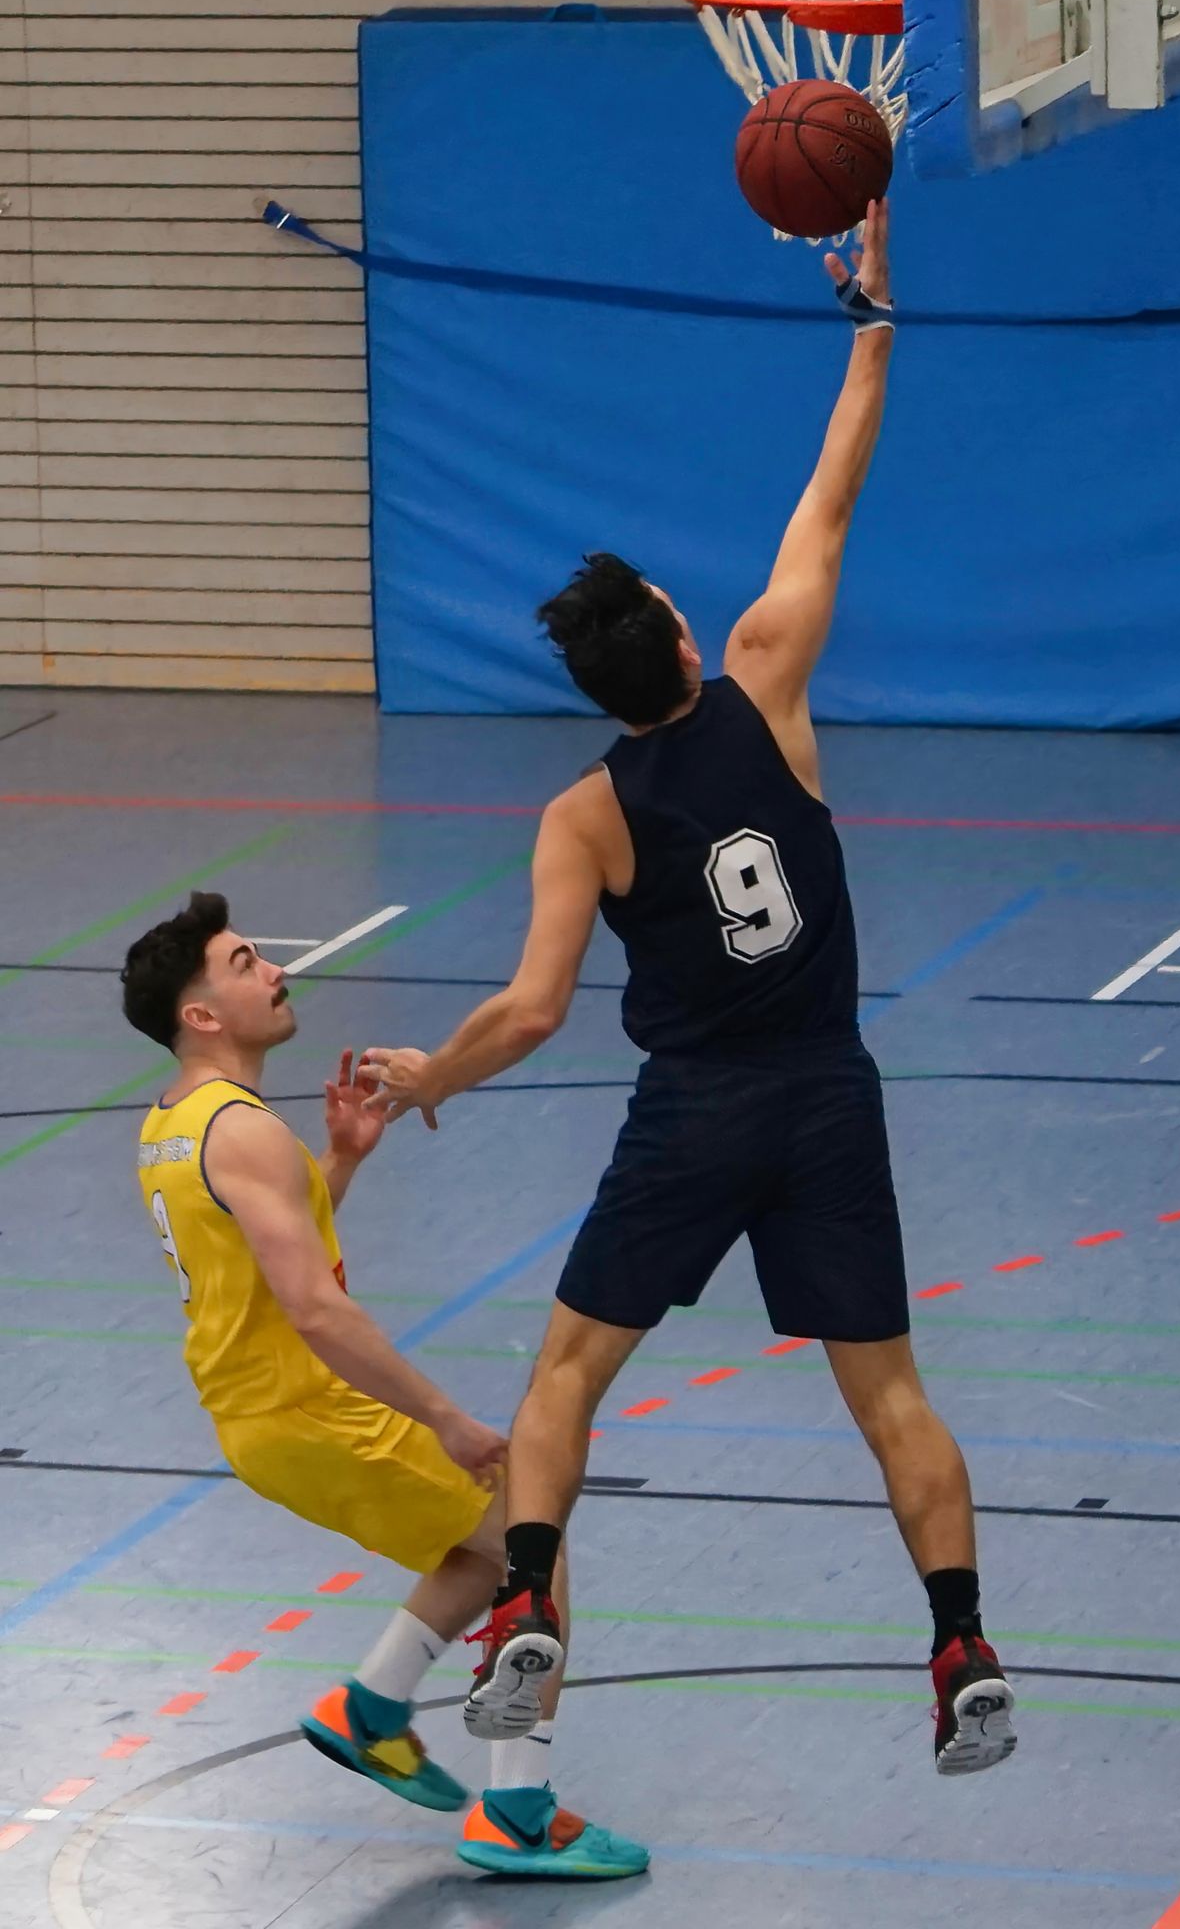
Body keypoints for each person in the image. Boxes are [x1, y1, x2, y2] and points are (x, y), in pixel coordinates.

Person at [364, 200, 1017, 1777]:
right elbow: (831, 494)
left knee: (565, 1374)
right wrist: (869, 323)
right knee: (891, 1397)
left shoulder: (581, 816)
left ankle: (524, 1600)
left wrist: (430, 1076)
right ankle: (958, 1645)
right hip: (825, 1095)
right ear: (675, 635)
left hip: (692, 1114)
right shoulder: (765, 679)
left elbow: (530, 1011)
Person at [121, 892, 647, 1879]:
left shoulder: (174, 1122)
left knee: (477, 1554)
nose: (274, 970)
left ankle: (369, 1708)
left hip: (259, 1413)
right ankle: (516, 1810)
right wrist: (443, 1416)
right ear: (200, 1013)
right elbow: (316, 1311)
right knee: (531, 1539)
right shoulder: (242, 1131)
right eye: (244, 964)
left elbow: (262, 1258)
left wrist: (340, 1162)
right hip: (309, 1410)